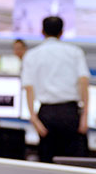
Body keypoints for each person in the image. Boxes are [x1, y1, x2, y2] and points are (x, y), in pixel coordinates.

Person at [21, 16, 90, 163]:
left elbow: (28, 88)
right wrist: (85, 116)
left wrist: (34, 119)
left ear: (42, 31)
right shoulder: (74, 52)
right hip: (70, 113)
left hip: (46, 114)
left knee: (48, 164)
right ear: (62, 32)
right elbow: (83, 82)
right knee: (74, 164)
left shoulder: (32, 55)